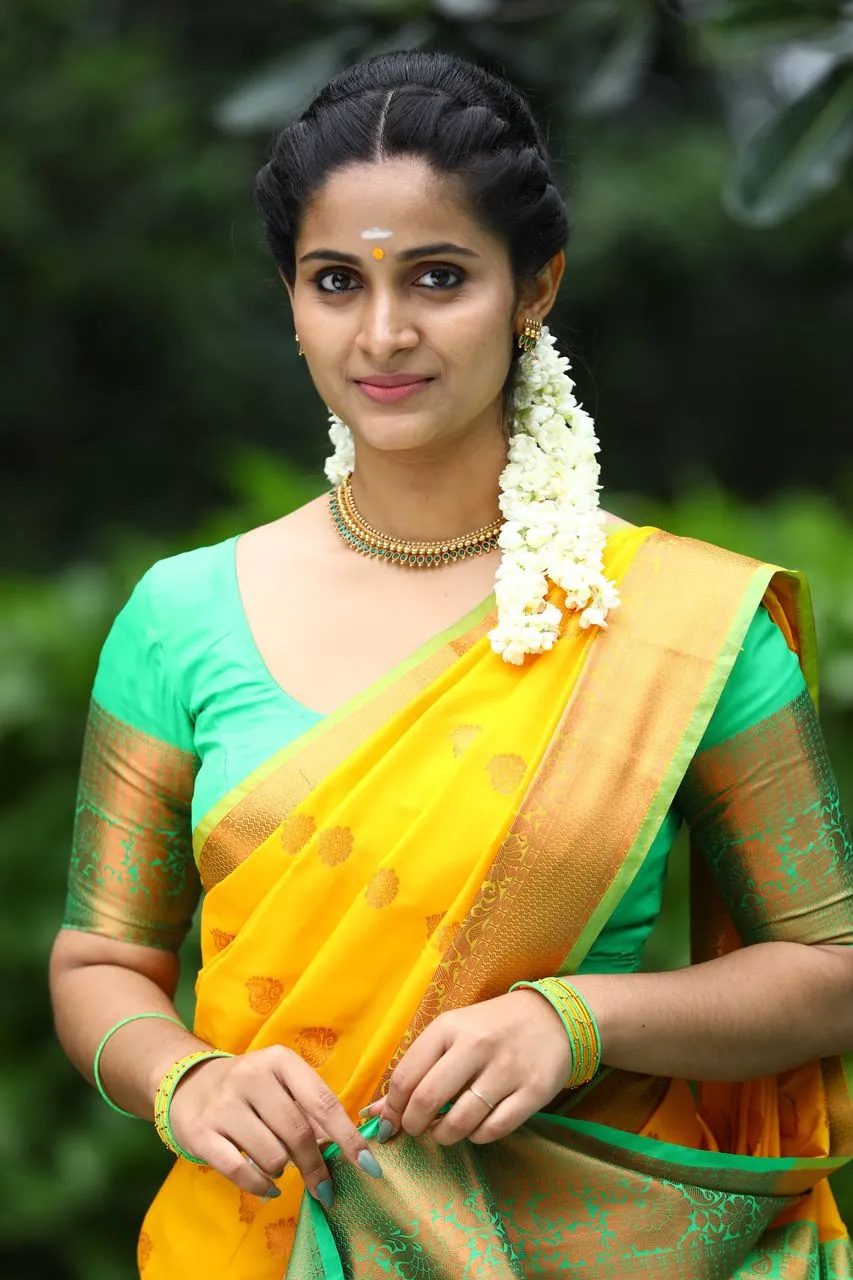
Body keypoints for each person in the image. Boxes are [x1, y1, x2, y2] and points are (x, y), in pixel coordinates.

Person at [49, 48, 853, 1280]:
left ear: (535, 287)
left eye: (439, 276)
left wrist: (577, 1018)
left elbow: (831, 970)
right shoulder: (181, 616)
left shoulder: (680, 623)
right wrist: (184, 1078)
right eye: (336, 281)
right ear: (291, 299)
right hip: (256, 1240)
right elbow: (102, 960)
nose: (385, 333)